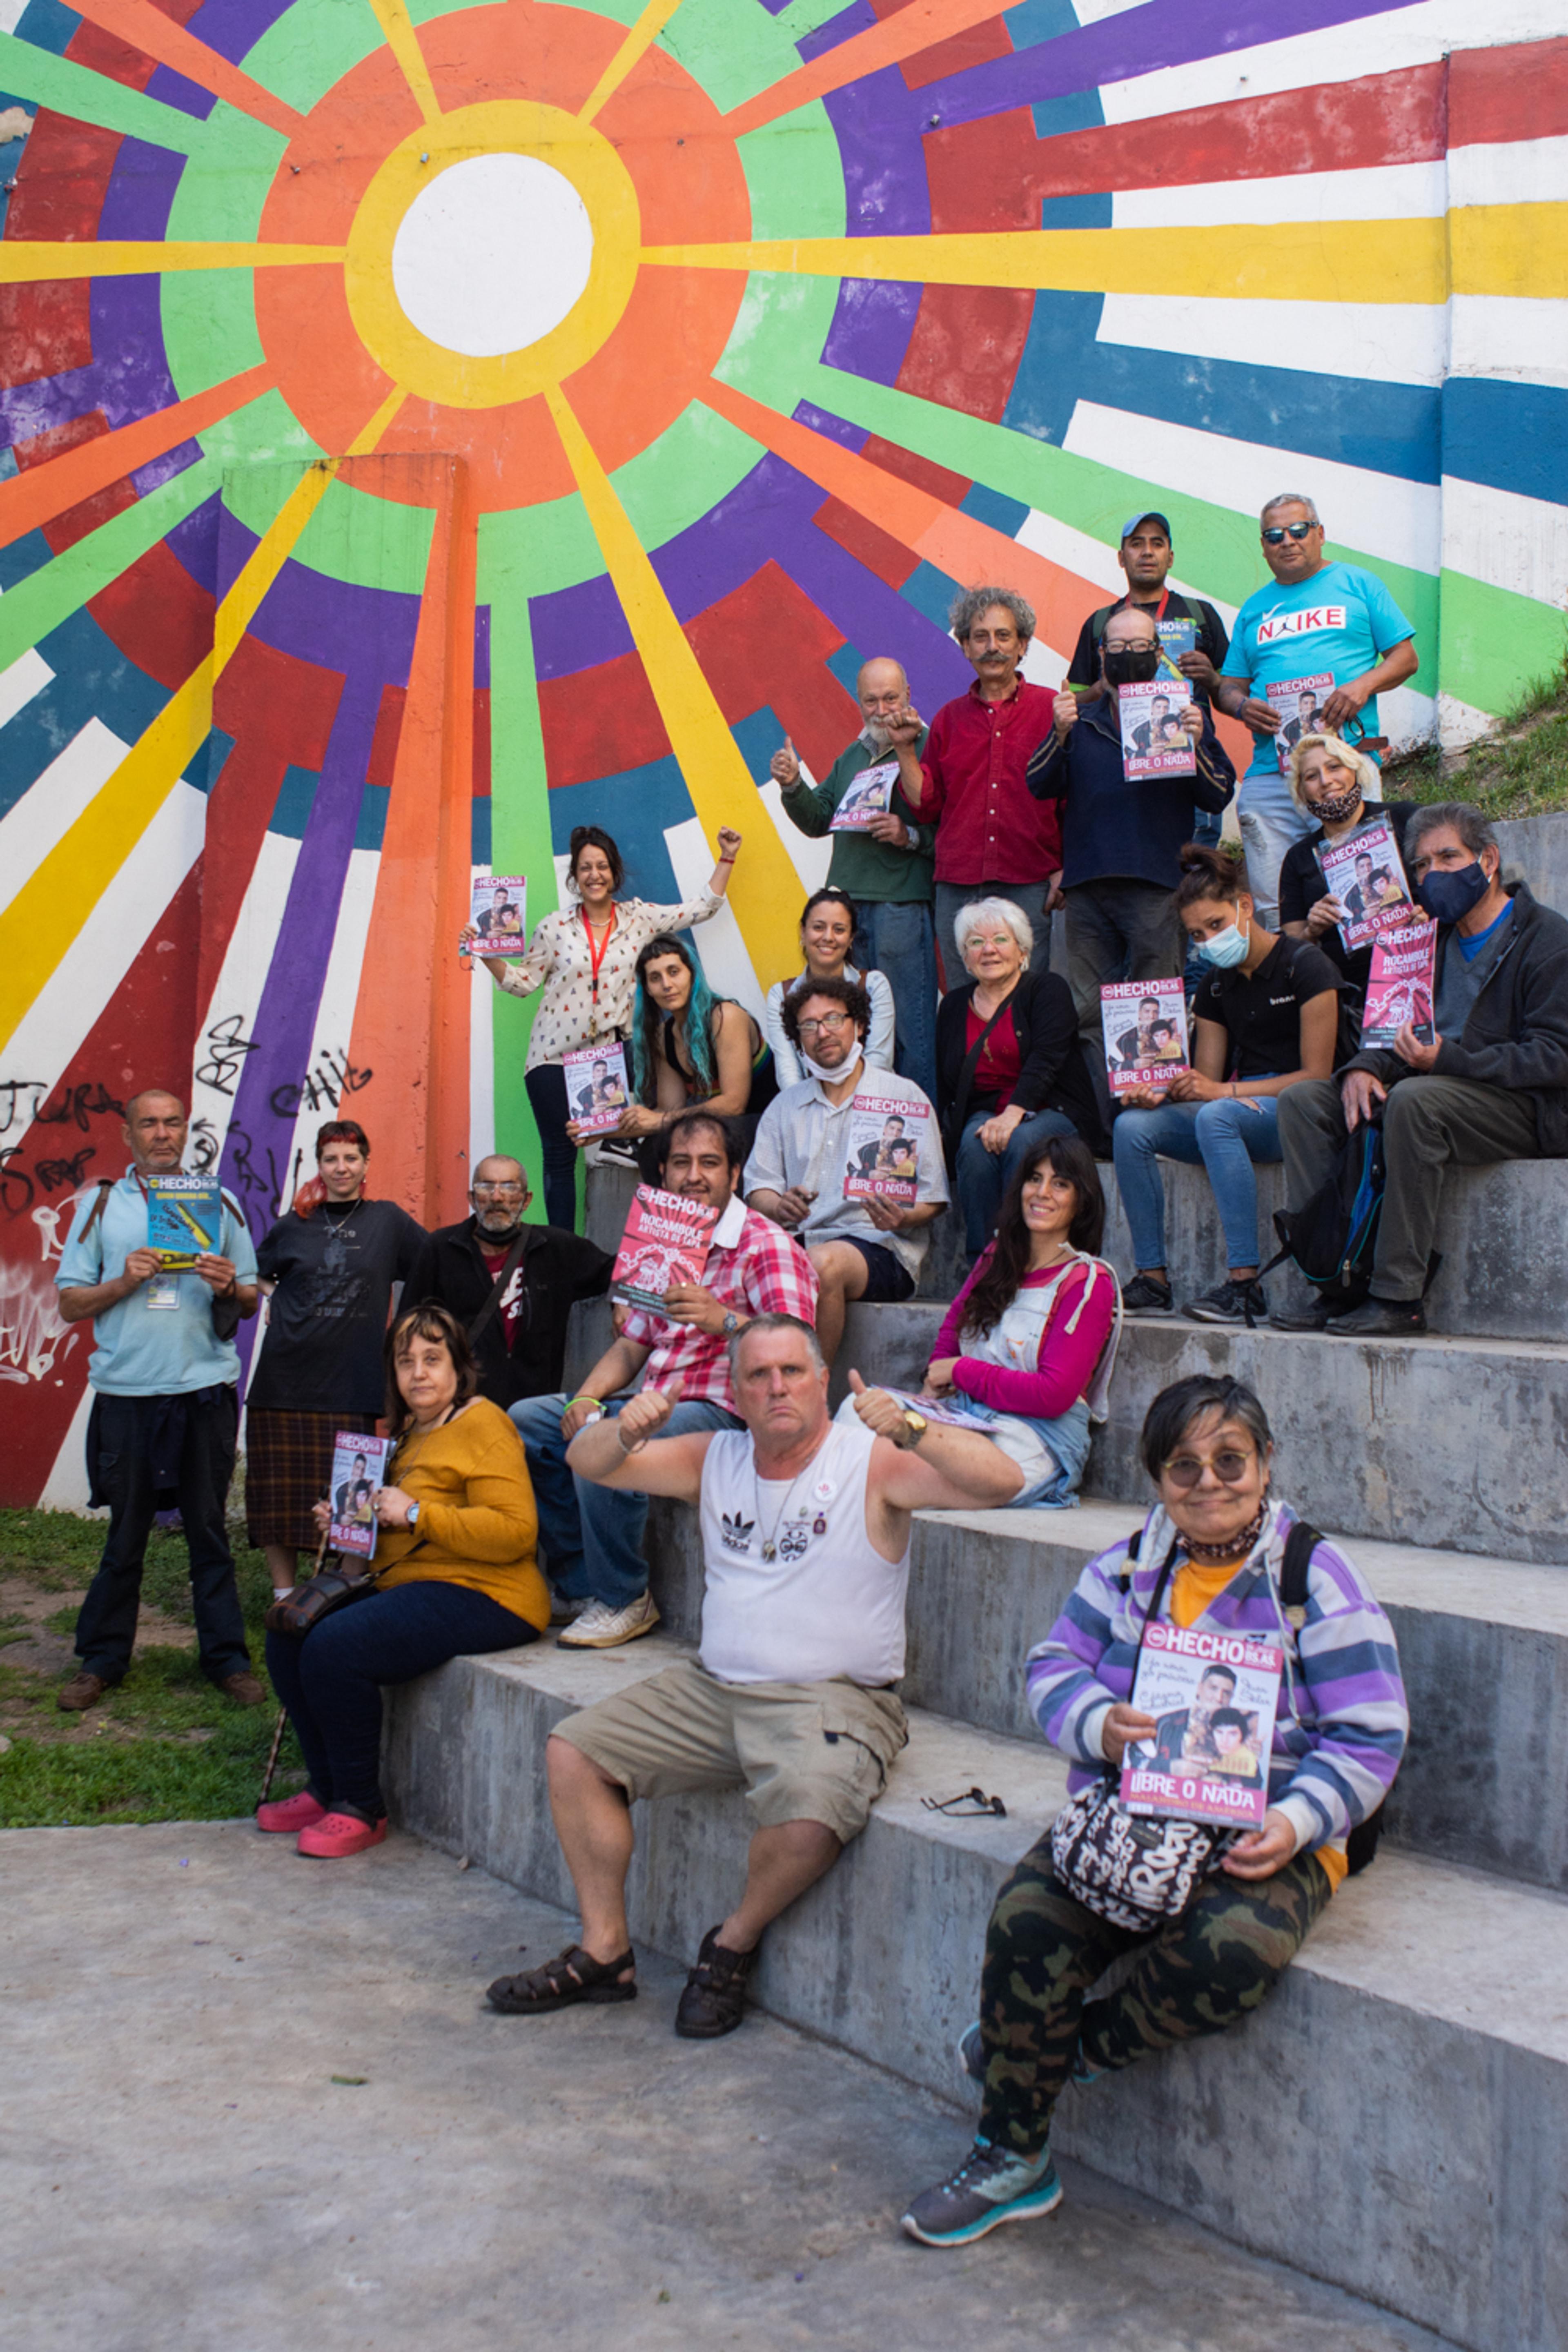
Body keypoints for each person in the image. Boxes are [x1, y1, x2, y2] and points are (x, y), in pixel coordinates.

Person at [901, 1374, 1408, 2247]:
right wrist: (1101, 1726)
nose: (1209, 1483)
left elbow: (1370, 1735)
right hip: (1140, 1807)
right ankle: (1013, 2158)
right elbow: (1053, 1666)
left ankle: (1057, 2051)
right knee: (1028, 1918)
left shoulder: (1312, 1577)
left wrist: (1294, 1823)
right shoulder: (1132, 1563)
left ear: (1266, 1463)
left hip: (1272, 1824)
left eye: (1230, 1461)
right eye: (1183, 1467)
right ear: (1156, 1478)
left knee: (1229, 1953)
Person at [483, 1314, 1031, 2036]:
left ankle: (732, 1942)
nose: (777, 1388)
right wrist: (622, 1428)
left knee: (810, 1816)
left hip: (834, 1698)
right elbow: (588, 1464)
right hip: (712, 1689)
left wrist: (911, 1429)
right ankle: (605, 1951)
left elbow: (1004, 1481)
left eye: (793, 1372)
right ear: (735, 1393)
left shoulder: (869, 1460)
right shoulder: (715, 1455)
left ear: (822, 1381)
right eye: (758, 1375)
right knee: (573, 1752)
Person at [508, 1111, 819, 1650]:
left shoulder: (765, 1245)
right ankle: (581, 1584)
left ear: (735, 1174)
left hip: (726, 1414)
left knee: (603, 1437)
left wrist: (721, 1319)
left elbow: (799, 1353)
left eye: (709, 1163)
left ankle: (624, 1597)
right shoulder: (675, 1242)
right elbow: (633, 1345)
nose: (694, 1176)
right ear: (664, 1173)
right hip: (656, 1397)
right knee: (530, 1421)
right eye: (681, 1163)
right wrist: (584, 1397)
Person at [259, 1305, 544, 1859]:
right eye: (406, 1361)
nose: (419, 1373)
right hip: (414, 1585)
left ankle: (362, 1807)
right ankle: (326, 1787)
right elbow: (388, 1544)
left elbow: (516, 1533)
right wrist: (349, 1525)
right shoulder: (411, 1434)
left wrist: (416, 1515)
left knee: (337, 1647)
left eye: (433, 1359)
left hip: (490, 1594)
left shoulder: (484, 1424)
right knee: (288, 1627)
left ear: (460, 1369)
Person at [1276, 801, 1568, 1336]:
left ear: (1489, 860)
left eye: (1448, 858)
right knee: (1305, 1103)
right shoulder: (1427, 940)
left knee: (1414, 1101)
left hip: (1522, 1106)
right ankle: (1337, 1280)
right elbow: (1393, 1027)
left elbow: (1555, 1056)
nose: (1433, 875)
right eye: (1421, 865)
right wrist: (1365, 1065)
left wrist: (1449, 1059)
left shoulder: (1548, 940)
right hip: (1436, 1085)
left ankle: (1398, 1296)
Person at [53, 1089, 263, 1713]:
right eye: (149, 1123)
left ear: (186, 1133)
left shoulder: (217, 1202)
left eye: (173, 1123)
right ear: (128, 1135)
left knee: (206, 1532)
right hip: (128, 1395)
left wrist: (231, 1285)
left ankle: (226, 1660)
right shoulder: (98, 1208)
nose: (163, 1133)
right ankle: (102, 1661)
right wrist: (124, 1280)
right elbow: (68, 1303)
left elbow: (250, 1295)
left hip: (202, 1392)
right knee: (126, 1535)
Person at [463, 822, 743, 1229]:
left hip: (613, 1054)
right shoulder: (553, 928)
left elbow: (702, 907)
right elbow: (522, 983)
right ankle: (561, 1256)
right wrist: (484, 951)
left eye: (602, 866)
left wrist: (727, 856)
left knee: (630, 1099)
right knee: (560, 1157)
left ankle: (622, 1142)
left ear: (615, 873)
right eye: (585, 868)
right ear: (575, 877)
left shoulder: (640, 918)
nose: (594, 875)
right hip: (552, 1058)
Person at [1113, 845, 1341, 1325]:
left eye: (1216, 925)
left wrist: (1221, 1095)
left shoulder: (1306, 965)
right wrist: (1161, 1092)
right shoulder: (1215, 986)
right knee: (1133, 1126)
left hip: (1299, 1110)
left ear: (1245, 906)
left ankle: (1245, 1285)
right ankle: (1152, 1278)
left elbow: (1317, 1077)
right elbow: (1207, 1082)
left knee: (1218, 1114)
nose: (1208, 940)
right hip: (1238, 1113)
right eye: (1197, 934)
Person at [1028, 605, 1234, 1073]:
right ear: (1101, 656)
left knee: (1155, 1004)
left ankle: (1150, 1114)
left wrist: (1197, 743)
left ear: (1159, 653)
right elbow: (1038, 784)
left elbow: (1218, 794)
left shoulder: (1186, 712)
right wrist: (1059, 733)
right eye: (1117, 648)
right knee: (1087, 1010)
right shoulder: (1079, 721)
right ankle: (1100, 1120)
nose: (1128, 656)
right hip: (1087, 888)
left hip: (1157, 885)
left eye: (1139, 647)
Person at [1216, 494, 1418, 928]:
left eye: (1298, 530)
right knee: (1275, 907)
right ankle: (1294, 983)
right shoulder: (1254, 608)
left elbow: (1406, 658)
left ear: (1320, 534)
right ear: (1264, 546)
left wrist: (1362, 687)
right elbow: (1229, 687)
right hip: (1273, 771)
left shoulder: (1359, 583)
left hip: (1344, 761)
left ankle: (1376, 988)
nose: (1287, 541)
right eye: (1273, 535)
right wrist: (1242, 706)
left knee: (1373, 896)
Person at [244, 1119, 425, 1599]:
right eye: (331, 1159)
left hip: (353, 1380)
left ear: (366, 1164)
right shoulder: (295, 1223)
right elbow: (254, 1271)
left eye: (350, 1158)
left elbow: (432, 1265)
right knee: (279, 1498)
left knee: (354, 1495)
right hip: (283, 1379)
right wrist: (275, 1300)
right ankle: (285, 1595)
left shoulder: (388, 1221)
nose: (340, 1168)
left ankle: (342, 1588)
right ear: (319, 1165)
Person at [745, 976, 948, 1365]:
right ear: (798, 1038)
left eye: (834, 1019)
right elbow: (760, 1189)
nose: (823, 1032)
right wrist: (779, 1206)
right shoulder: (784, 1107)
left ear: (859, 1026)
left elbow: (934, 1197)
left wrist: (903, 1217)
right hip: (800, 1241)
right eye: (809, 1025)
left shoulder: (903, 1096)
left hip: (881, 1249)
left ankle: (810, 1391)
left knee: (823, 1263)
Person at [918, 1134, 1121, 1510]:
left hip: (1038, 1436)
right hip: (968, 1413)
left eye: (1060, 1184)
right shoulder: (997, 1255)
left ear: (1081, 1202)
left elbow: (1053, 1394)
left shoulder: (1089, 1284)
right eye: (1034, 1179)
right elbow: (953, 1328)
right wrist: (935, 1379)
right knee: (857, 1414)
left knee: (918, 1474)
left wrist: (960, 1370)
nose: (1042, 1193)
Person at [770, 658, 938, 1100]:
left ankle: (919, 1136)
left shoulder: (929, 745)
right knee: (849, 1032)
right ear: (858, 702)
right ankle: (857, 1124)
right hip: (845, 909)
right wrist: (792, 786)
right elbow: (819, 819)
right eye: (871, 700)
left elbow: (954, 826)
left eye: (891, 698)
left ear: (908, 694)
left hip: (900, 903)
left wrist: (912, 837)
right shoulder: (854, 754)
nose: (882, 710)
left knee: (910, 1030)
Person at [890, 588, 1062, 984]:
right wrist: (904, 749)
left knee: (1027, 1000)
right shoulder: (949, 720)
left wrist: (1063, 869)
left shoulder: (1050, 709)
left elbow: (1073, 799)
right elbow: (925, 806)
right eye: (980, 637)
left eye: (1004, 636)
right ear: (965, 646)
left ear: (1023, 646)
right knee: (964, 1000)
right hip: (958, 883)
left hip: (1030, 880)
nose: (992, 647)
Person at [935, 898, 1103, 1263]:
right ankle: (985, 1264)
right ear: (965, 958)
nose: (989, 950)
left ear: (1023, 949)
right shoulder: (953, 1006)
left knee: (1024, 1141)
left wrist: (1013, 1114)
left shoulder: (1047, 990)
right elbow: (947, 1082)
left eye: (1000, 939)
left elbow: (1048, 1059)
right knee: (973, 1148)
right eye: (976, 943)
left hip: (1050, 1107)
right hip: (986, 1110)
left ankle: (1028, 1259)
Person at [402, 1155, 612, 1412]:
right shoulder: (441, 1249)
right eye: (486, 1186)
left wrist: (622, 1301)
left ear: (527, 1200)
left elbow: (618, 1272)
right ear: (471, 1198)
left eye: (510, 1187)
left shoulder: (555, 1249)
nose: (497, 1197)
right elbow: (408, 1329)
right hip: (459, 1410)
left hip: (531, 1412)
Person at [600, 933, 775, 1176]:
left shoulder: (726, 1016)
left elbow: (734, 1105)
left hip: (764, 1126)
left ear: (692, 975)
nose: (667, 985)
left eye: (674, 972)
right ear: (648, 990)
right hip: (719, 1128)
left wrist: (657, 1121)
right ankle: (681, 1215)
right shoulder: (664, 1037)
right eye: (655, 978)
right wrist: (598, 1130)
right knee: (654, 1150)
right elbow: (668, 1111)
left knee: (714, 1142)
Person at [1064, 512, 1229, 712]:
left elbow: (1233, 698)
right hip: (1117, 741)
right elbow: (1072, 704)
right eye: (1136, 544)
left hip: (1192, 740)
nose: (1147, 552)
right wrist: (1103, 687)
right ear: (1122, 558)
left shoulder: (1201, 614)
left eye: (1157, 544)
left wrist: (1212, 679)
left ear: (1170, 558)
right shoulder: (1100, 623)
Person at [764, 888, 895, 1090]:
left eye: (840, 930)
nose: (828, 937)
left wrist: (845, 1110)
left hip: (871, 1107)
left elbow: (879, 1063)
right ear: (803, 931)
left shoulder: (873, 986)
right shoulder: (781, 995)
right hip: (808, 1109)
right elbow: (788, 1074)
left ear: (851, 939)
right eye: (818, 927)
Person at [1150, 1661, 1236, 1768]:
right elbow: (1137, 1761)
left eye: (1226, 1693)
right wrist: (1170, 1768)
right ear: (1200, 1689)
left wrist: (1251, 1756)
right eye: (1213, 1688)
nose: (1219, 1698)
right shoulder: (1166, 1724)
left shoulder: (1238, 1734)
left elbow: (1256, 1782)